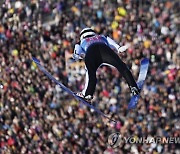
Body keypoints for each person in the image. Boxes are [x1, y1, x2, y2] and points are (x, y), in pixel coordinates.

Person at [73, 27, 140, 101]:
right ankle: (133, 86)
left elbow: (77, 53)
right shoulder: (101, 36)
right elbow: (112, 43)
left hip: (91, 52)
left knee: (90, 73)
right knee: (121, 66)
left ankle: (88, 94)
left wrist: (78, 56)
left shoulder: (81, 41)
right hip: (104, 50)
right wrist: (118, 48)